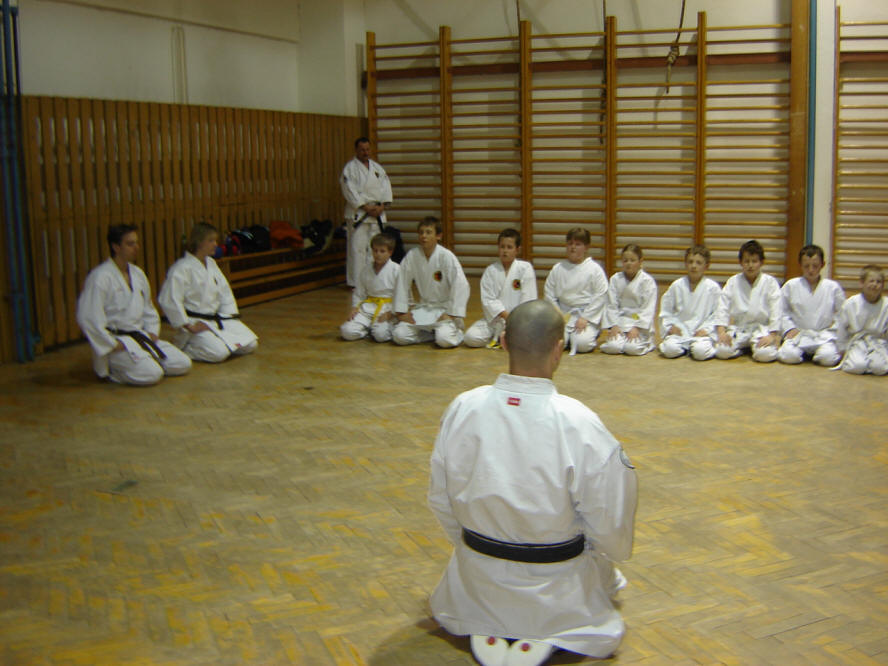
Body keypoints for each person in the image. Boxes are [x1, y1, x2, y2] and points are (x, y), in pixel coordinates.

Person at [428, 300, 638, 666]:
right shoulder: (581, 424)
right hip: (556, 584)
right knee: (606, 570)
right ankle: (548, 629)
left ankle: (491, 620)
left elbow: (440, 499)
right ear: (559, 349)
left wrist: (474, 543)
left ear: (504, 343)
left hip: (477, 579)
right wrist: (601, 552)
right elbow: (611, 526)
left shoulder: (463, 407)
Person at [76, 224, 191, 385]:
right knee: (152, 374)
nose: (136, 247)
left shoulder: (138, 274)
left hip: (140, 336)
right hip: (118, 342)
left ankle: (146, 362)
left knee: (183, 363)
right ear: (116, 247)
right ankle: (113, 371)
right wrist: (112, 344)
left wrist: (152, 331)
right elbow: (88, 317)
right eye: (130, 244)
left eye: (136, 242)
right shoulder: (100, 277)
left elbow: (148, 309)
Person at [158, 222, 258, 362]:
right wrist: (188, 325)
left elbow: (225, 293)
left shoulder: (211, 264)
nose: (215, 244)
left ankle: (217, 342)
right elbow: (169, 299)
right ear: (199, 242)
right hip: (195, 322)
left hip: (216, 319)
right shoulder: (181, 268)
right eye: (211, 240)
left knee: (250, 344)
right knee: (219, 353)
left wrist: (230, 317)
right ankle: (186, 347)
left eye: (215, 240)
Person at [392, 216, 470, 348]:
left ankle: (456, 331)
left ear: (438, 236)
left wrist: (451, 313)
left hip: (444, 310)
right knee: (399, 335)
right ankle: (431, 335)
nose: (424, 236)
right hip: (424, 308)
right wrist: (401, 312)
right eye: (421, 232)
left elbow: (461, 284)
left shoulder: (446, 256)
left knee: (444, 340)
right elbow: (402, 283)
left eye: (428, 232)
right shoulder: (412, 256)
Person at [464, 228, 537, 348]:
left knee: (529, 339)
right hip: (495, 321)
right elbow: (488, 300)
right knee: (470, 337)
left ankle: (502, 338)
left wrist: (513, 320)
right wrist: (505, 316)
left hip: (518, 322)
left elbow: (528, 299)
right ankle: (498, 337)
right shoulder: (490, 271)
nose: (505, 251)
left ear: (517, 250)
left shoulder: (525, 268)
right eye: (502, 247)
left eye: (509, 247)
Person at [710, 240, 781, 362]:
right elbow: (722, 307)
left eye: (754, 261)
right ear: (740, 262)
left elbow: (776, 310)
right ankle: (741, 349)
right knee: (722, 351)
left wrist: (772, 335)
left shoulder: (770, 282)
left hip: (761, 330)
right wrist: (721, 332)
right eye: (746, 261)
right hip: (739, 329)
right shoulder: (733, 281)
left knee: (765, 355)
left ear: (762, 262)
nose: (750, 265)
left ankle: (754, 348)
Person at [776, 244, 845, 367]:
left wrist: (833, 332)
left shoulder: (833, 287)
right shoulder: (791, 285)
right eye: (806, 266)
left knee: (828, 358)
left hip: (822, 336)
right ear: (800, 265)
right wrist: (789, 329)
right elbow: (781, 311)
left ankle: (818, 354)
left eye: (815, 266)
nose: (811, 270)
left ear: (822, 265)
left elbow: (843, 314)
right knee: (789, 356)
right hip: (798, 334)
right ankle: (803, 353)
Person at [543, 228, 608, 355]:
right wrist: (558, 316)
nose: (573, 247)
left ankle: (591, 333)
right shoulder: (558, 269)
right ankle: (568, 339)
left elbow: (601, 296)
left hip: (584, 315)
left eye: (578, 244)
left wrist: (585, 318)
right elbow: (549, 295)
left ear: (586, 247)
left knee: (582, 344)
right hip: (562, 314)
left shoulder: (594, 269)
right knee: (555, 342)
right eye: (570, 243)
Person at [341, 137, 393, 287]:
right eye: (362, 150)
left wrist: (382, 206)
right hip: (359, 214)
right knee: (357, 249)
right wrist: (365, 207)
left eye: (367, 149)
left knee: (375, 250)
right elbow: (349, 190)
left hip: (377, 214)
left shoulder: (377, 168)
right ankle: (356, 283)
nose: (365, 152)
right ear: (356, 150)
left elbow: (386, 188)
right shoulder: (349, 169)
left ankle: (373, 280)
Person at [658, 245, 722, 360]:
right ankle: (685, 348)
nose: (694, 266)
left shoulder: (713, 288)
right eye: (690, 262)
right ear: (685, 264)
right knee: (670, 350)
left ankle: (693, 348)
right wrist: (670, 326)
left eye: (699, 263)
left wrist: (707, 330)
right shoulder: (677, 285)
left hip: (701, 332)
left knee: (700, 352)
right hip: (680, 331)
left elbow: (718, 314)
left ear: (706, 266)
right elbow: (666, 310)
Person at [339, 233, 400, 342]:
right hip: (368, 308)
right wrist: (355, 307)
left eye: (382, 251)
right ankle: (367, 330)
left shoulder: (397, 270)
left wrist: (391, 313)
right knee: (346, 331)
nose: (378, 254)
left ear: (390, 252)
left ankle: (384, 328)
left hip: (387, 309)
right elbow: (359, 293)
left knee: (381, 335)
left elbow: (404, 298)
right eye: (375, 251)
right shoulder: (366, 270)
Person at [600, 244, 657, 356]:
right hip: (620, 322)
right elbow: (611, 305)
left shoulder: (647, 282)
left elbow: (647, 309)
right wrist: (614, 325)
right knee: (613, 347)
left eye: (632, 260)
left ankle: (646, 342)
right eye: (625, 260)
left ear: (640, 261)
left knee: (632, 348)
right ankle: (621, 341)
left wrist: (637, 328)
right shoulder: (615, 279)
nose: (628, 263)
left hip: (638, 324)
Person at [835, 265, 888, 375]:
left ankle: (871, 364)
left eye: (879, 282)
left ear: (883, 285)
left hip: (878, 342)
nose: (875, 285)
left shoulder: (886, 304)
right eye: (871, 281)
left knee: (880, 368)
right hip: (857, 343)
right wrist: (841, 349)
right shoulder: (851, 303)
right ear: (862, 283)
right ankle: (863, 363)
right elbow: (842, 329)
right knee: (857, 366)